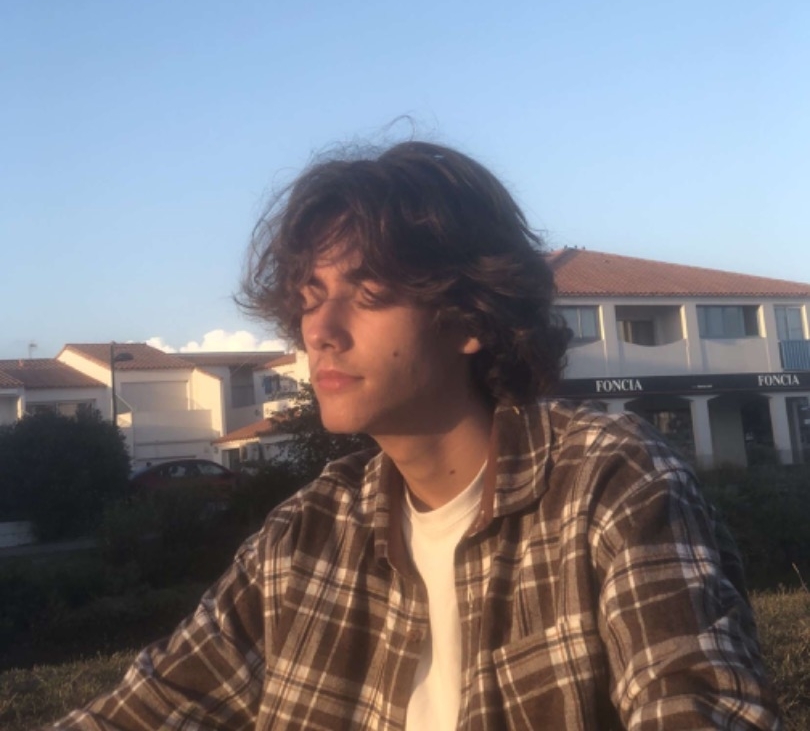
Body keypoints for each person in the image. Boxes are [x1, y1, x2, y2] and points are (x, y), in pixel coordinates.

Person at [52, 140, 781, 730]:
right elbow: (150, 707)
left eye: (368, 294)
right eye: (309, 297)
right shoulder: (304, 539)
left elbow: (696, 699)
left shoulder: (608, 483)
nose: (320, 330)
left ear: (469, 318)